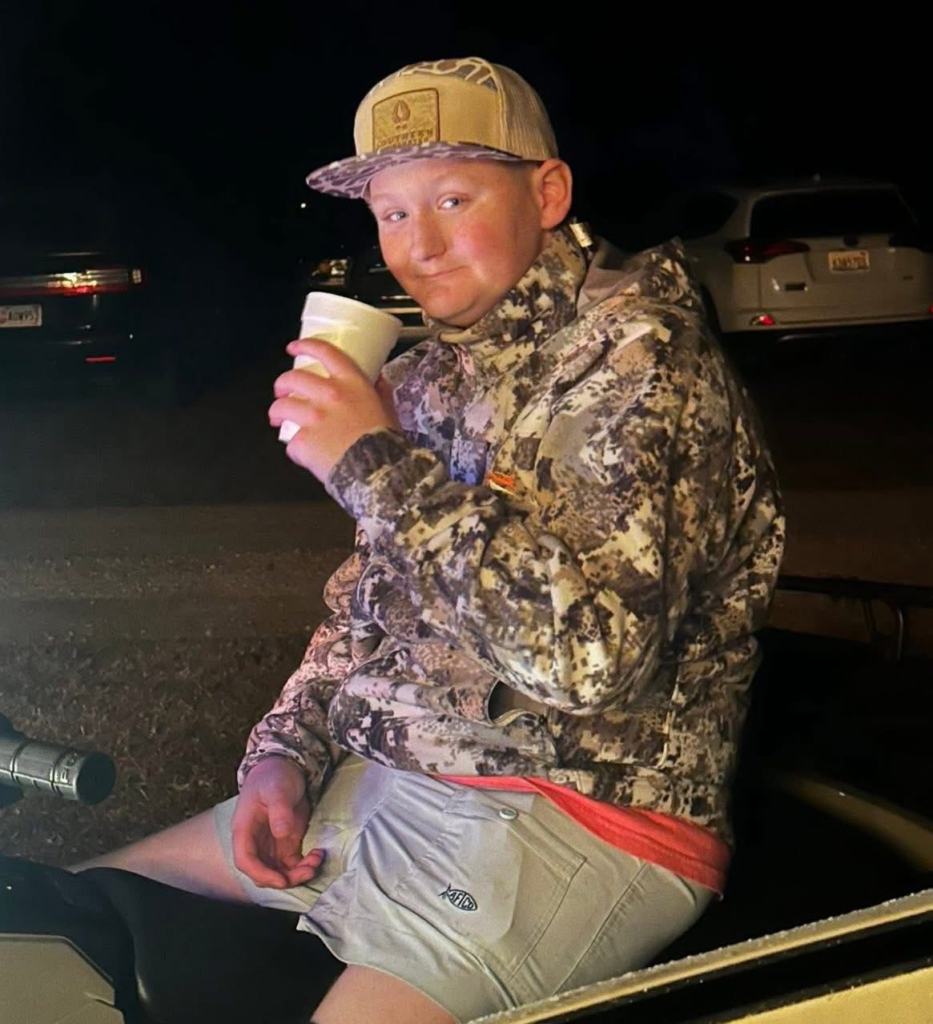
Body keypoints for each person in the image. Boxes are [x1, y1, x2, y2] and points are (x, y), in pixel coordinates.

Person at [77, 56, 785, 1023]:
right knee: (69, 926)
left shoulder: (647, 362)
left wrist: (372, 462)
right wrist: (285, 754)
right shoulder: (426, 380)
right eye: (392, 212)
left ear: (547, 194)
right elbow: (369, 606)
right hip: (389, 777)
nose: (421, 245)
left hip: (581, 810)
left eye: (454, 200)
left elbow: (588, 665)